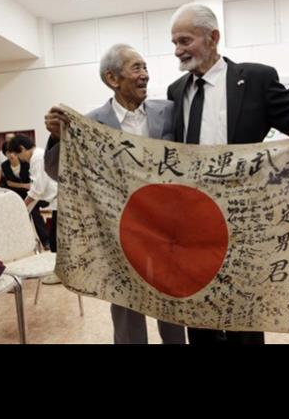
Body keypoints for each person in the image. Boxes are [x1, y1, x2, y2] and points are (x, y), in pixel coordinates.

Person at [166, 3, 289, 345]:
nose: (178, 50)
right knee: (198, 310)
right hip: (192, 222)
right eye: (174, 43)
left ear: (213, 37)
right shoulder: (176, 90)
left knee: (244, 312)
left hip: (244, 221)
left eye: (185, 40)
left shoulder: (255, 78)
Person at [43, 43, 187, 345]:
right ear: (112, 79)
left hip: (167, 229)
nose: (145, 75)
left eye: (146, 67)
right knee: (126, 307)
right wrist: (56, 137)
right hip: (120, 231)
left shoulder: (171, 111)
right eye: (137, 68)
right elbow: (58, 171)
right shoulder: (91, 122)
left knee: (173, 307)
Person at [7, 134, 61, 284]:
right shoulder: (39, 155)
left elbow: (38, 189)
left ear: (22, 149)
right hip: (57, 200)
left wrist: (22, 207)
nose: (20, 158)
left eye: (18, 154)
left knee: (56, 240)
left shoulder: (37, 158)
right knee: (56, 238)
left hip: (59, 200)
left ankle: (60, 274)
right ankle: (60, 272)